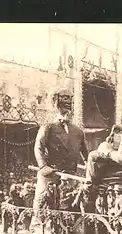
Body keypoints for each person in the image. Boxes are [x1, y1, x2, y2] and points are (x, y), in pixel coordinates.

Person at [32, 87, 88, 225]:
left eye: (70, 99)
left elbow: (86, 155)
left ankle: (68, 228)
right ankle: (40, 225)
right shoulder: (48, 127)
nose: (68, 102)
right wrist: (43, 166)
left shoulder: (78, 132)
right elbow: (38, 147)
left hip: (70, 176)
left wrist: (90, 169)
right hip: (51, 173)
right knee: (44, 201)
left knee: (69, 204)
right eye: (64, 98)